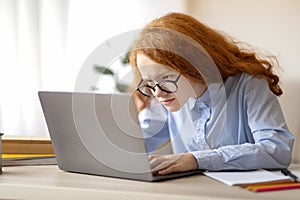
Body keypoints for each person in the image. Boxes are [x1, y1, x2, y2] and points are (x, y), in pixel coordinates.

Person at [129, 12, 294, 175]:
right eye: (149, 82)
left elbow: (278, 150)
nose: (157, 93)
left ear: (194, 64)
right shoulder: (166, 97)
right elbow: (139, 142)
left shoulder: (249, 84)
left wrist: (195, 160)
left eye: (167, 77)